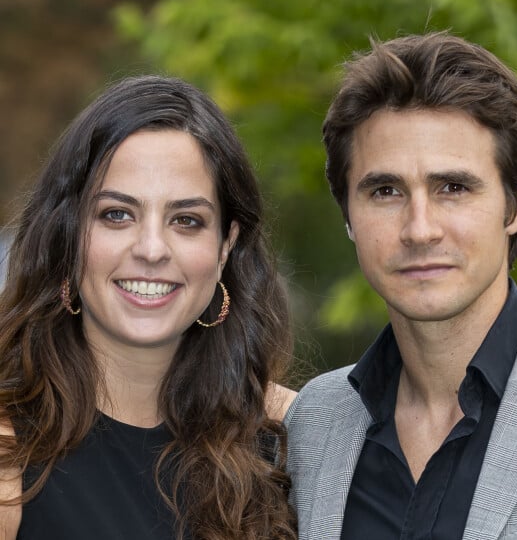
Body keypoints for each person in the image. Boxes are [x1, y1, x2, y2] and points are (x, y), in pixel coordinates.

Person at [284, 31, 517, 539]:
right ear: (348, 217)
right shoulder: (313, 424)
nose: (420, 229)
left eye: (453, 188)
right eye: (385, 190)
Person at [0, 75, 297, 540]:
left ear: (225, 247)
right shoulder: (8, 452)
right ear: (69, 236)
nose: (152, 248)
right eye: (116, 214)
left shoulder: (289, 434)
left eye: (186, 220)